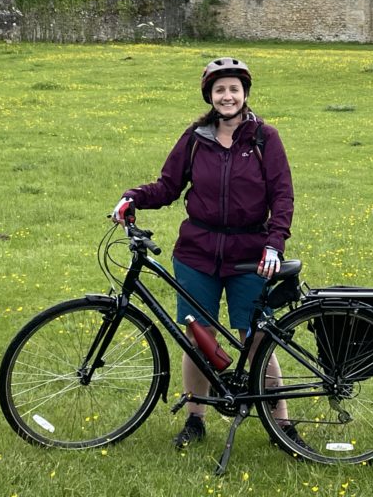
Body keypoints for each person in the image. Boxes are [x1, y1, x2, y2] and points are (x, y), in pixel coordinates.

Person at [111, 57, 306, 450]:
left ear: (245, 94)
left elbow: (282, 196)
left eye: (234, 89)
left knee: (256, 339)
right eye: (220, 90)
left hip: (250, 253)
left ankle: (280, 424)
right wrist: (133, 197)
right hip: (197, 253)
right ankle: (196, 419)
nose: (227, 96)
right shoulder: (196, 137)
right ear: (210, 96)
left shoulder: (265, 137)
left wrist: (274, 242)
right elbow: (168, 185)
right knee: (199, 336)